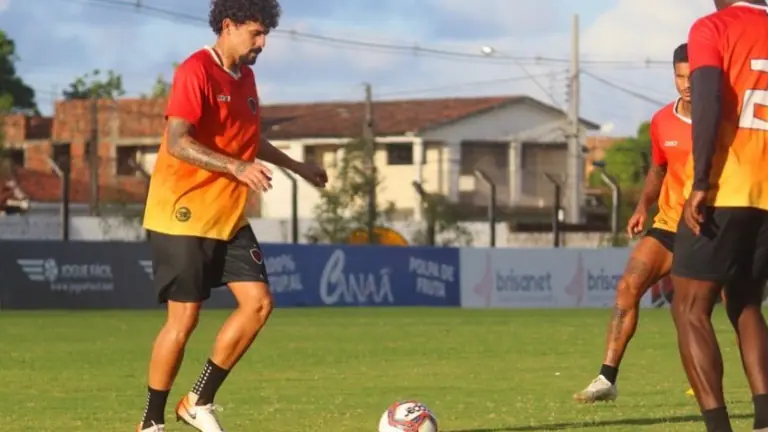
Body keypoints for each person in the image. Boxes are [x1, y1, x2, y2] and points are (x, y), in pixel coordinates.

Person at [136, 1, 328, 431]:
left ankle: (197, 399)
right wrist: (237, 167)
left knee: (258, 304)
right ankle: (151, 423)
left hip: (228, 215)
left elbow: (248, 138)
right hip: (180, 214)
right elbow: (177, 142)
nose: (262, 44)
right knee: (183, 320)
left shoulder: (248, 78)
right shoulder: (195, 71)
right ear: (229, 26)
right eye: (256, 34)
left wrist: (298, 167)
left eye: (265, 36)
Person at [573, 43, 697, 403]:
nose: (686, 84)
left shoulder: (722, 117)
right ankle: (606, 379)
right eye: (680, 76)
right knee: (628, 286)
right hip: (670, 224)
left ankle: (759, 388)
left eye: (693, 76)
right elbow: (659, 168)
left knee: (730, 308)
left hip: (710, 229)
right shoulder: (662, 121)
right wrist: (643, 205)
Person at [670, 1, 768, 431]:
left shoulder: (713, 27)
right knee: (746, 301)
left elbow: (707, 95)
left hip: (729, 183)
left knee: (690, 306)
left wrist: (702, 181)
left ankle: (718, 427)